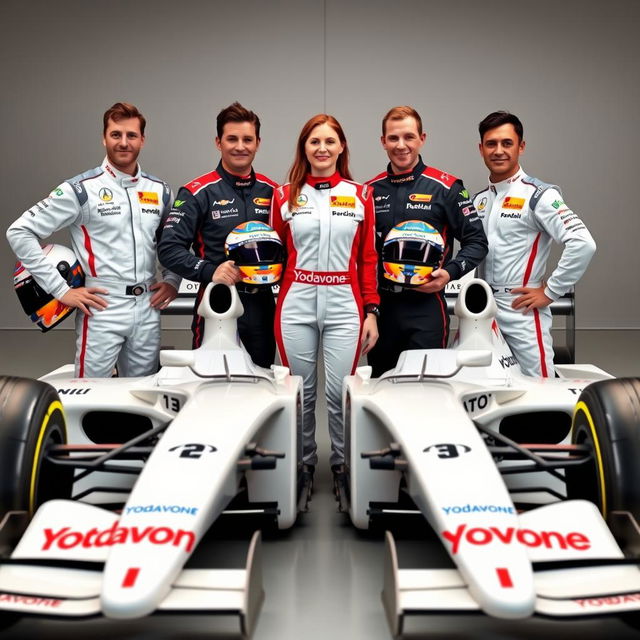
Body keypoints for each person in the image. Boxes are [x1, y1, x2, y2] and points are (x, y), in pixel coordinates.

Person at [6, 102, 179, 378]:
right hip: (102, 308)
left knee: (145, 395)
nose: (124, 143)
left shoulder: (160, 190)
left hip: (148, 307)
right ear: (104, 138)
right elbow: (19, 232)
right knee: (92, 395)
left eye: (131, 135)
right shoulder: (81, 190)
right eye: (116, 134)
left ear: (142, 140)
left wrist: (172, 281)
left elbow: (172, 243)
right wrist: (61, 291)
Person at [270, 114, 379, 493]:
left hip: (344, 304)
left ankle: (343, 466)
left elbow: (368, 259)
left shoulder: (360, 194)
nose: (322, 148)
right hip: (295, 300)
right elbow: (274, 256)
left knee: (339, 392)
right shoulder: (283, 195)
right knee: (299, 391)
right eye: (314, 141)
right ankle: (300, 466)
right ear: (304, 147)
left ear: (342, 147)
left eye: (330, 141)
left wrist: (371, 311)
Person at [366, 106, 488, 377]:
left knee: (424, 391)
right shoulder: (369, 191)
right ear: (383, 141)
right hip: (382, 310)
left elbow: (477, 242)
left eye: (409, 137)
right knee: (379, 391)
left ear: (422, 138)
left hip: (426, 308)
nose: (401, 145)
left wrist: (449, 273)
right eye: (393, 138)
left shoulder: (447, 187)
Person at [473, 111, 596, 377]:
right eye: (491, 144)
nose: (499, 151)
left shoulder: (539, 194)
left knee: (539, 387)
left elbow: (583, 243)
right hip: (483, 310)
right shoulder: (479, 200)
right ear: (480, 148)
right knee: (480, 384)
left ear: (521, 146)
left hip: (522, 309)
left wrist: (551, 291)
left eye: (507, 143)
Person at [158, 102, 278, 368]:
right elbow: (168, 249)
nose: (240, 146)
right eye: (231, 138)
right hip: (217, 300)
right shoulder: (197, 191)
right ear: (218, 142)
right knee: (211, 385)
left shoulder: (273, 192)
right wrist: (210, 270)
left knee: (262, 385)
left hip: (262, 305)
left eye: (247, 139)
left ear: (258, 142)